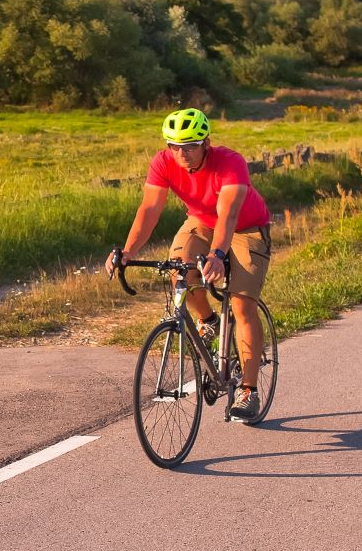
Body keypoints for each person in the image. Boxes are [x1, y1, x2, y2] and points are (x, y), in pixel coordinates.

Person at [103, 107, 272, 422]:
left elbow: (229, 214)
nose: (182, 153)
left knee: (241, 304)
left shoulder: (230, 163)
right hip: (201, 222)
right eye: (175, 146)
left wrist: (218, 255)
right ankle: (209, 320)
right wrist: (126, 251)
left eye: (191, 145)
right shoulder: (163, 162)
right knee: (178, 268)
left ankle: (249, 391)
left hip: (247, 228)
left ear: (206, 142)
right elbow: (150, 208)